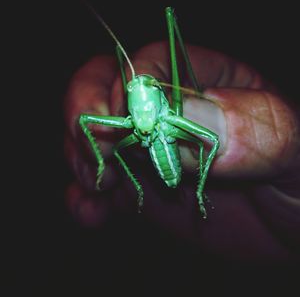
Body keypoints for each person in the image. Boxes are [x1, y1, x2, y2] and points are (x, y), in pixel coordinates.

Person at [64, 41, 300, 262]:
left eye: (147, 88)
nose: (139, 93)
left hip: (170, 128)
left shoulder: (168, 103)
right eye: (133, 90)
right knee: (105, 138)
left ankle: (198, 193)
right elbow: (86, 122)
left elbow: (212, 140)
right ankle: (137, 187)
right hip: (153, 167)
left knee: (210, 139)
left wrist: (200, 190)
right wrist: (101, 163)